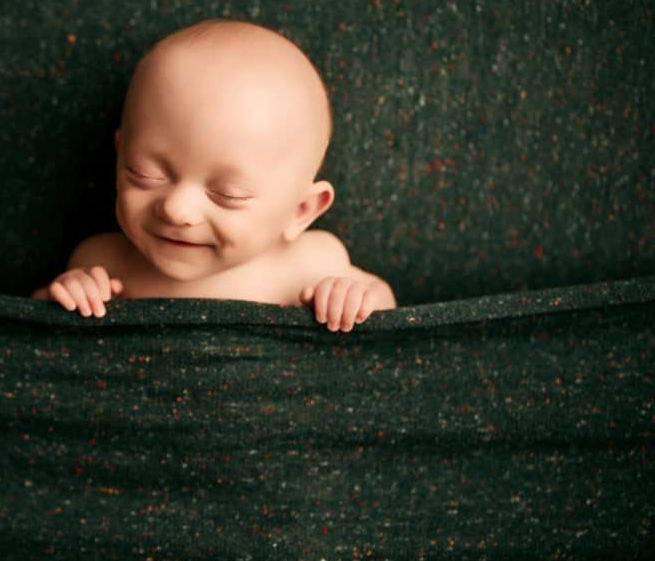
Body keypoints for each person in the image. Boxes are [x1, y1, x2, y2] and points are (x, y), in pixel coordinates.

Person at [32, 19, 396, 332]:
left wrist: (361, 301)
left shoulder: (312, 265)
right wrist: (63, 299)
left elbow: (391, 316)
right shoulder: (103, 263)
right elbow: (27, 336)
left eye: (229, 194)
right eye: (144, 174)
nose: (177, 210)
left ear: (301, 210)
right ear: (119, 155)